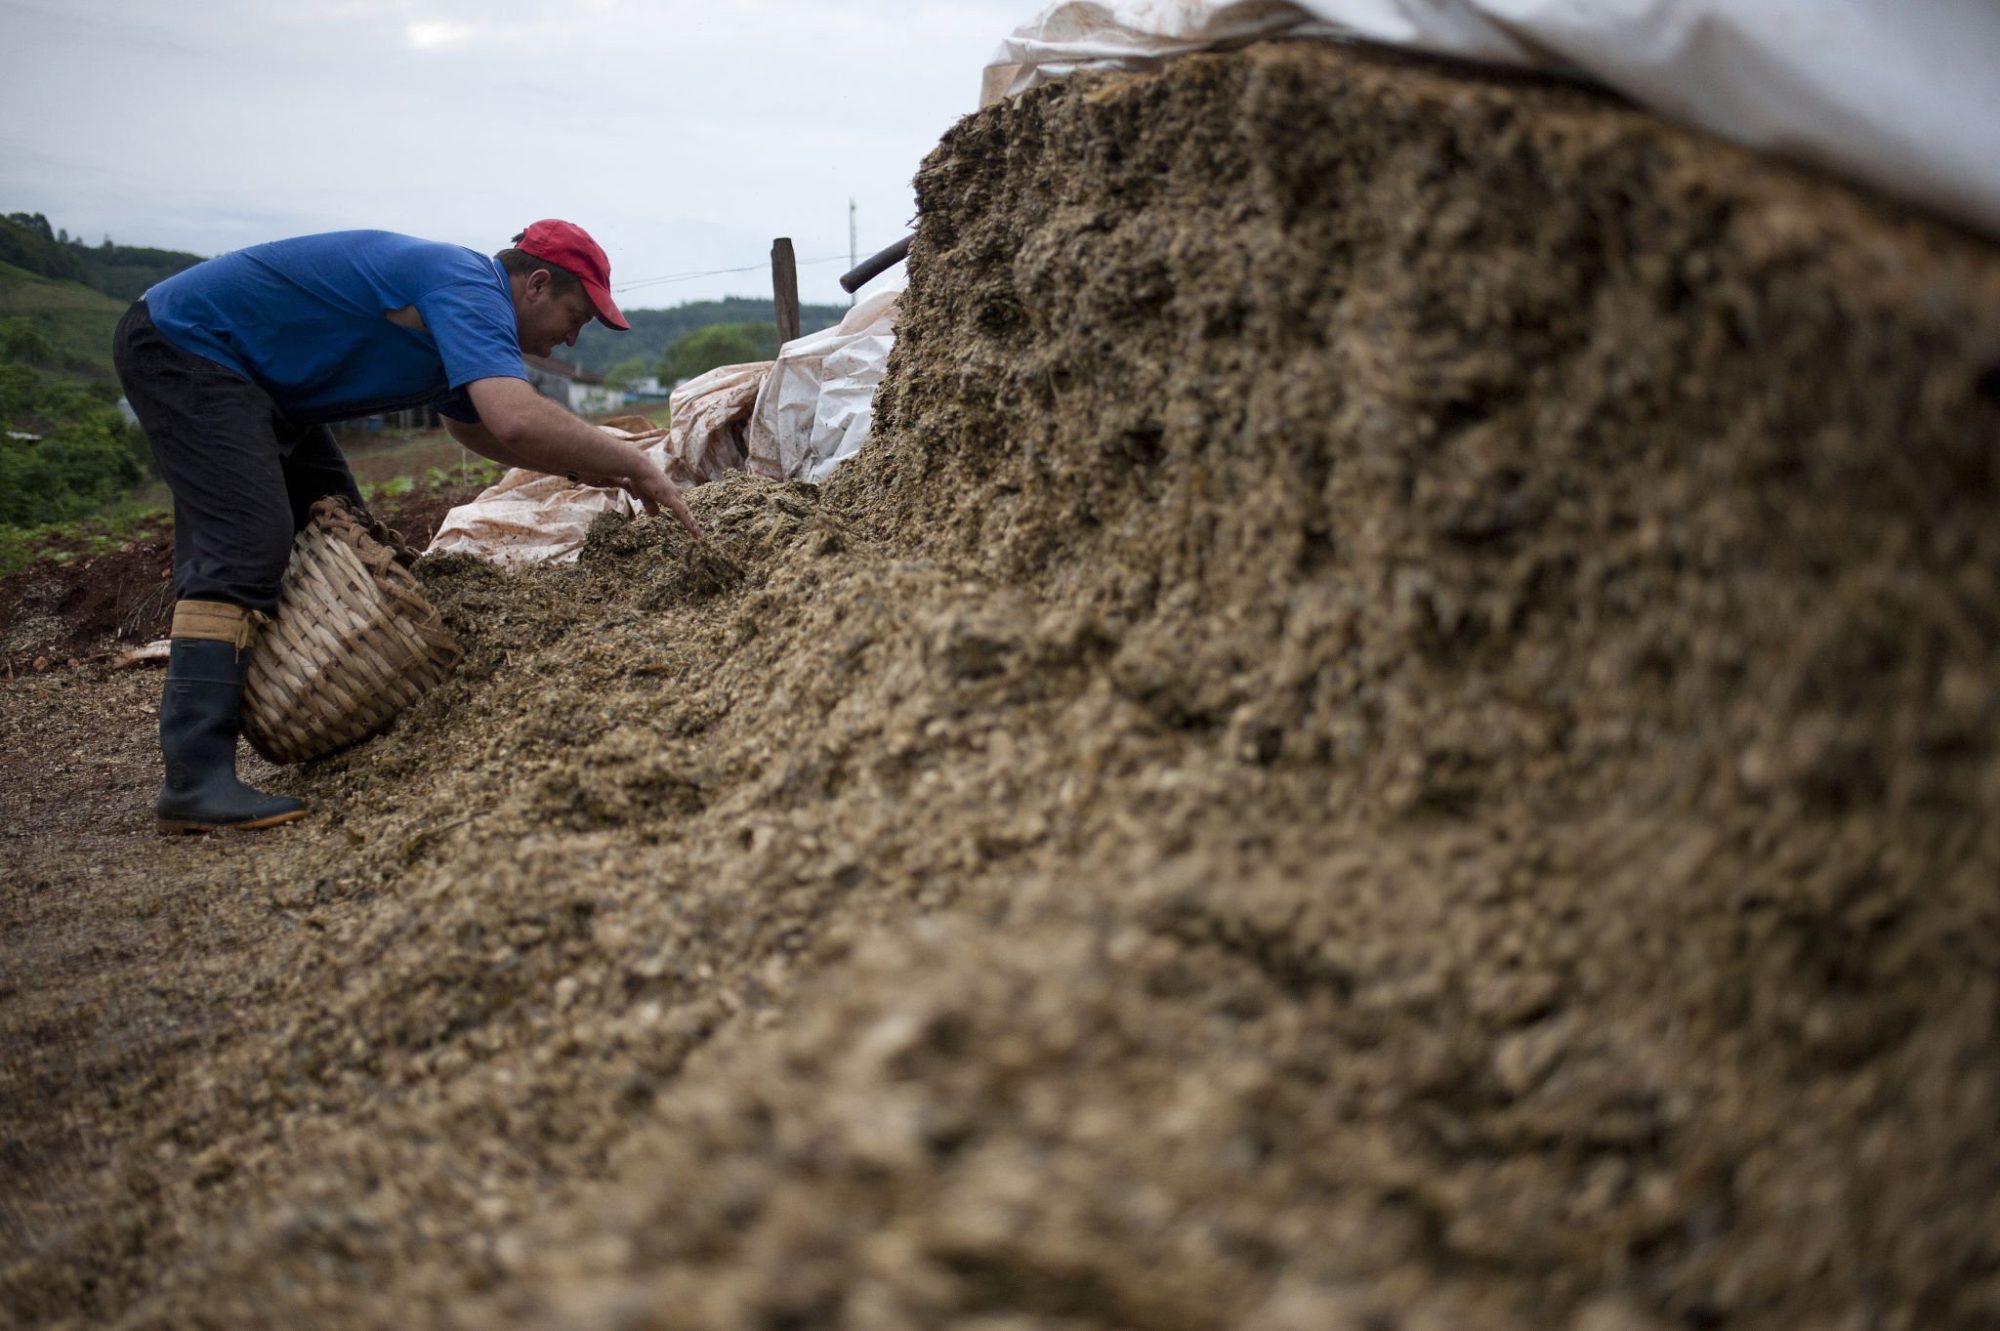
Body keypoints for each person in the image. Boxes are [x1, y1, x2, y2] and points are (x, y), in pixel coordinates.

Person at [114, 220, 699, 835]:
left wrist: (592, 468)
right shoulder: (469, 284)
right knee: (247, 540)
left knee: (334, 520)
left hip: (266, 384)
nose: (573, 340)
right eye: (575, 317)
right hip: (190, 346)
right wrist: (632, 460)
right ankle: (194, 779)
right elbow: (515, 421)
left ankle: (325, 693)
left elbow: (473, 426)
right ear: (538, 284)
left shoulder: (467, 306)